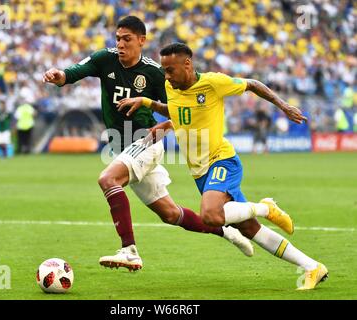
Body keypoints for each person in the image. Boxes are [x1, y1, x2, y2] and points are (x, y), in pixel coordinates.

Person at [43, 16, 253, 271]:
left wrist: (164, 127)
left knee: (108, 180)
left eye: (127, 39)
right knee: (171, 214)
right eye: (118, 38)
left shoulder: (155, 73)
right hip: (121, 146)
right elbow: (73, 73)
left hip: (145, 140)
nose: (120, 44)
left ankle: (129, 250)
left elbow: (180, 112)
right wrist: (59, 75)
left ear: (141, 41)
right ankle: (226, 232)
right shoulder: (104, 59)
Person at [117, 43, 328, 290]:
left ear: (187, 64)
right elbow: (177, 111)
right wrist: (151, 107)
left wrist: (284, 106)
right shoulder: (170, 85)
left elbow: (252, 84)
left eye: (170, 70)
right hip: (200, 173)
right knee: (250, 229)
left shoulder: (213, 83)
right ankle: (312, 266)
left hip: (222, 160)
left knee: (210, 216)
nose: (166, 76)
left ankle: (264, 207)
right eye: (164, 70)